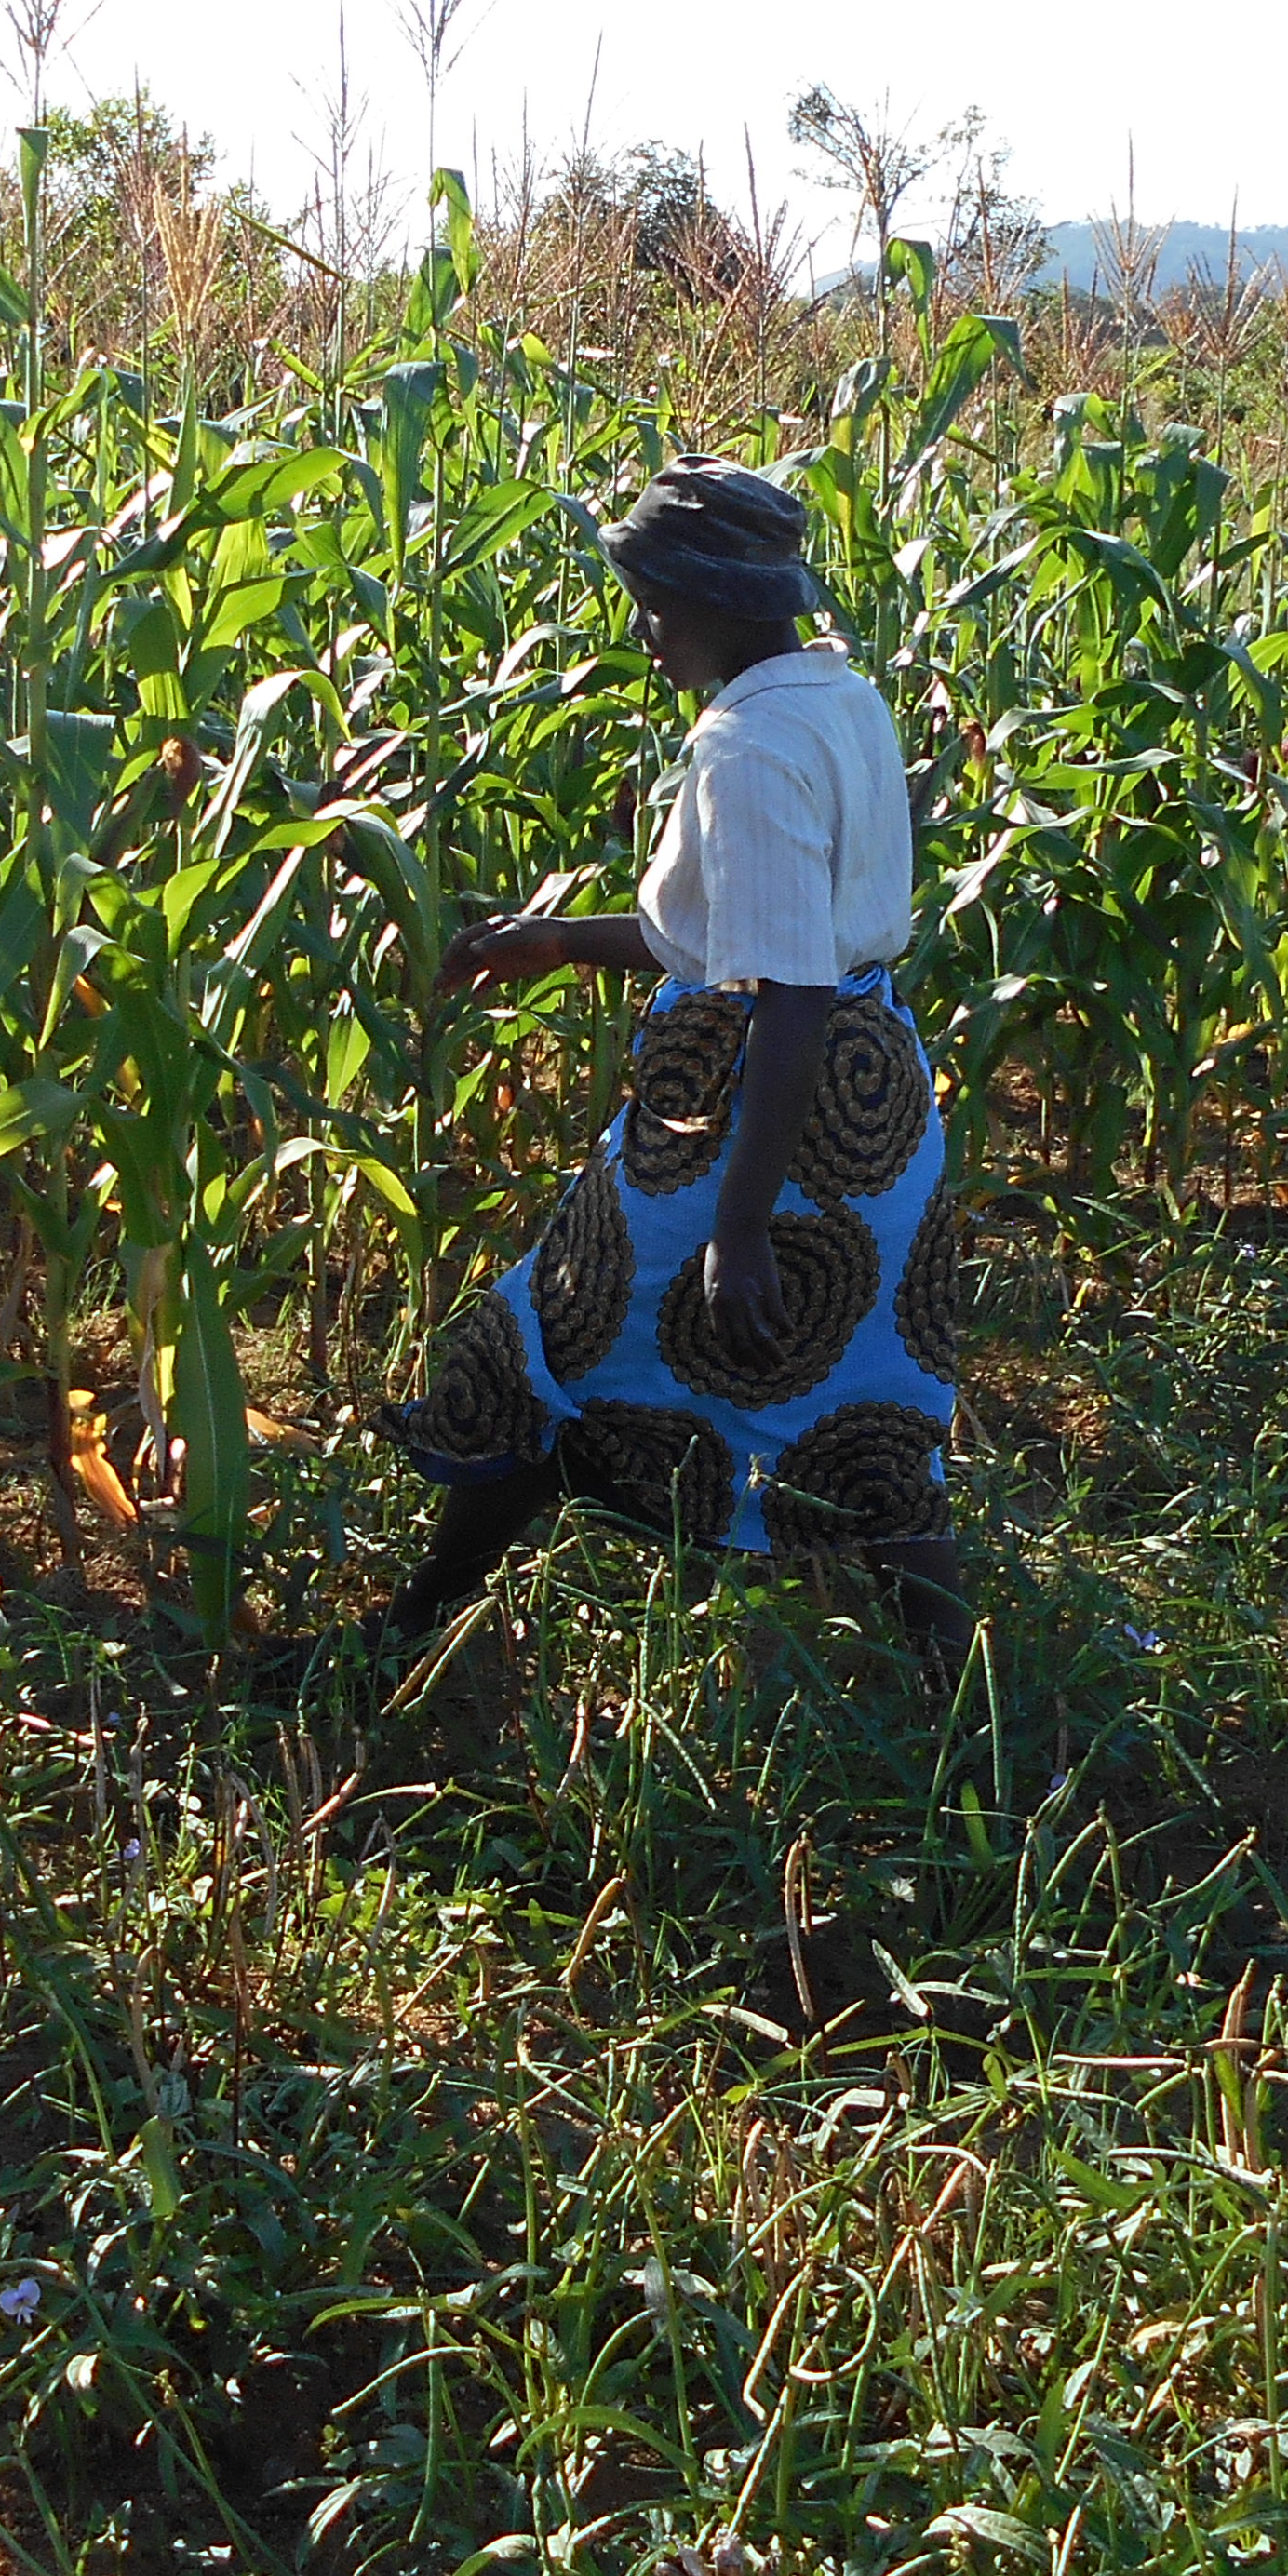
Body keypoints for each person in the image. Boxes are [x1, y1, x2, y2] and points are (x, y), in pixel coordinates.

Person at [379, 455, 976, 1681]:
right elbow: (758, 931)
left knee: (548, 1341)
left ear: (716, 601)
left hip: (759, 1111)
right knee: (871, 1408)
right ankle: (963, 1714)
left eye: (656, 603)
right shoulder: (837, 698)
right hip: (876, 1109)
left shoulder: (749, 751)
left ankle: (405, 1635)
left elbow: (787, 986)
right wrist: (554, 941)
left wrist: (742, 1225)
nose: (645, 632)